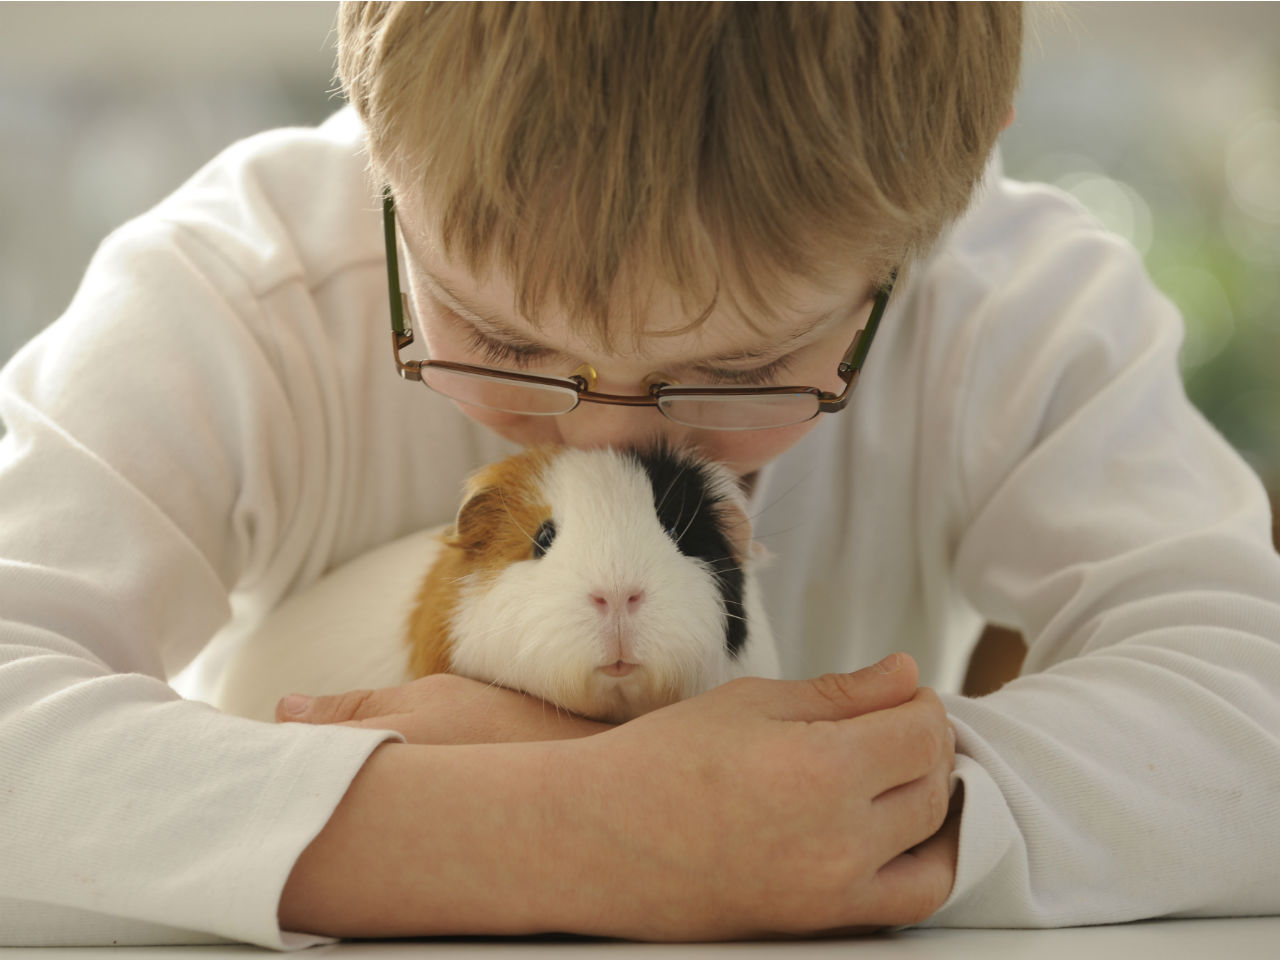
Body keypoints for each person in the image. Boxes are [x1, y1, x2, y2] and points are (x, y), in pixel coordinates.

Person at [2, 2, 1278, 949]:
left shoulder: (1022, 310)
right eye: (499, 337)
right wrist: (557, 829)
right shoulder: (235, 295)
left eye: (744, 365)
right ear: (377, 131)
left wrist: (821, 820)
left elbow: (1247, 705)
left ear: (945, 194)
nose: (609, 450)